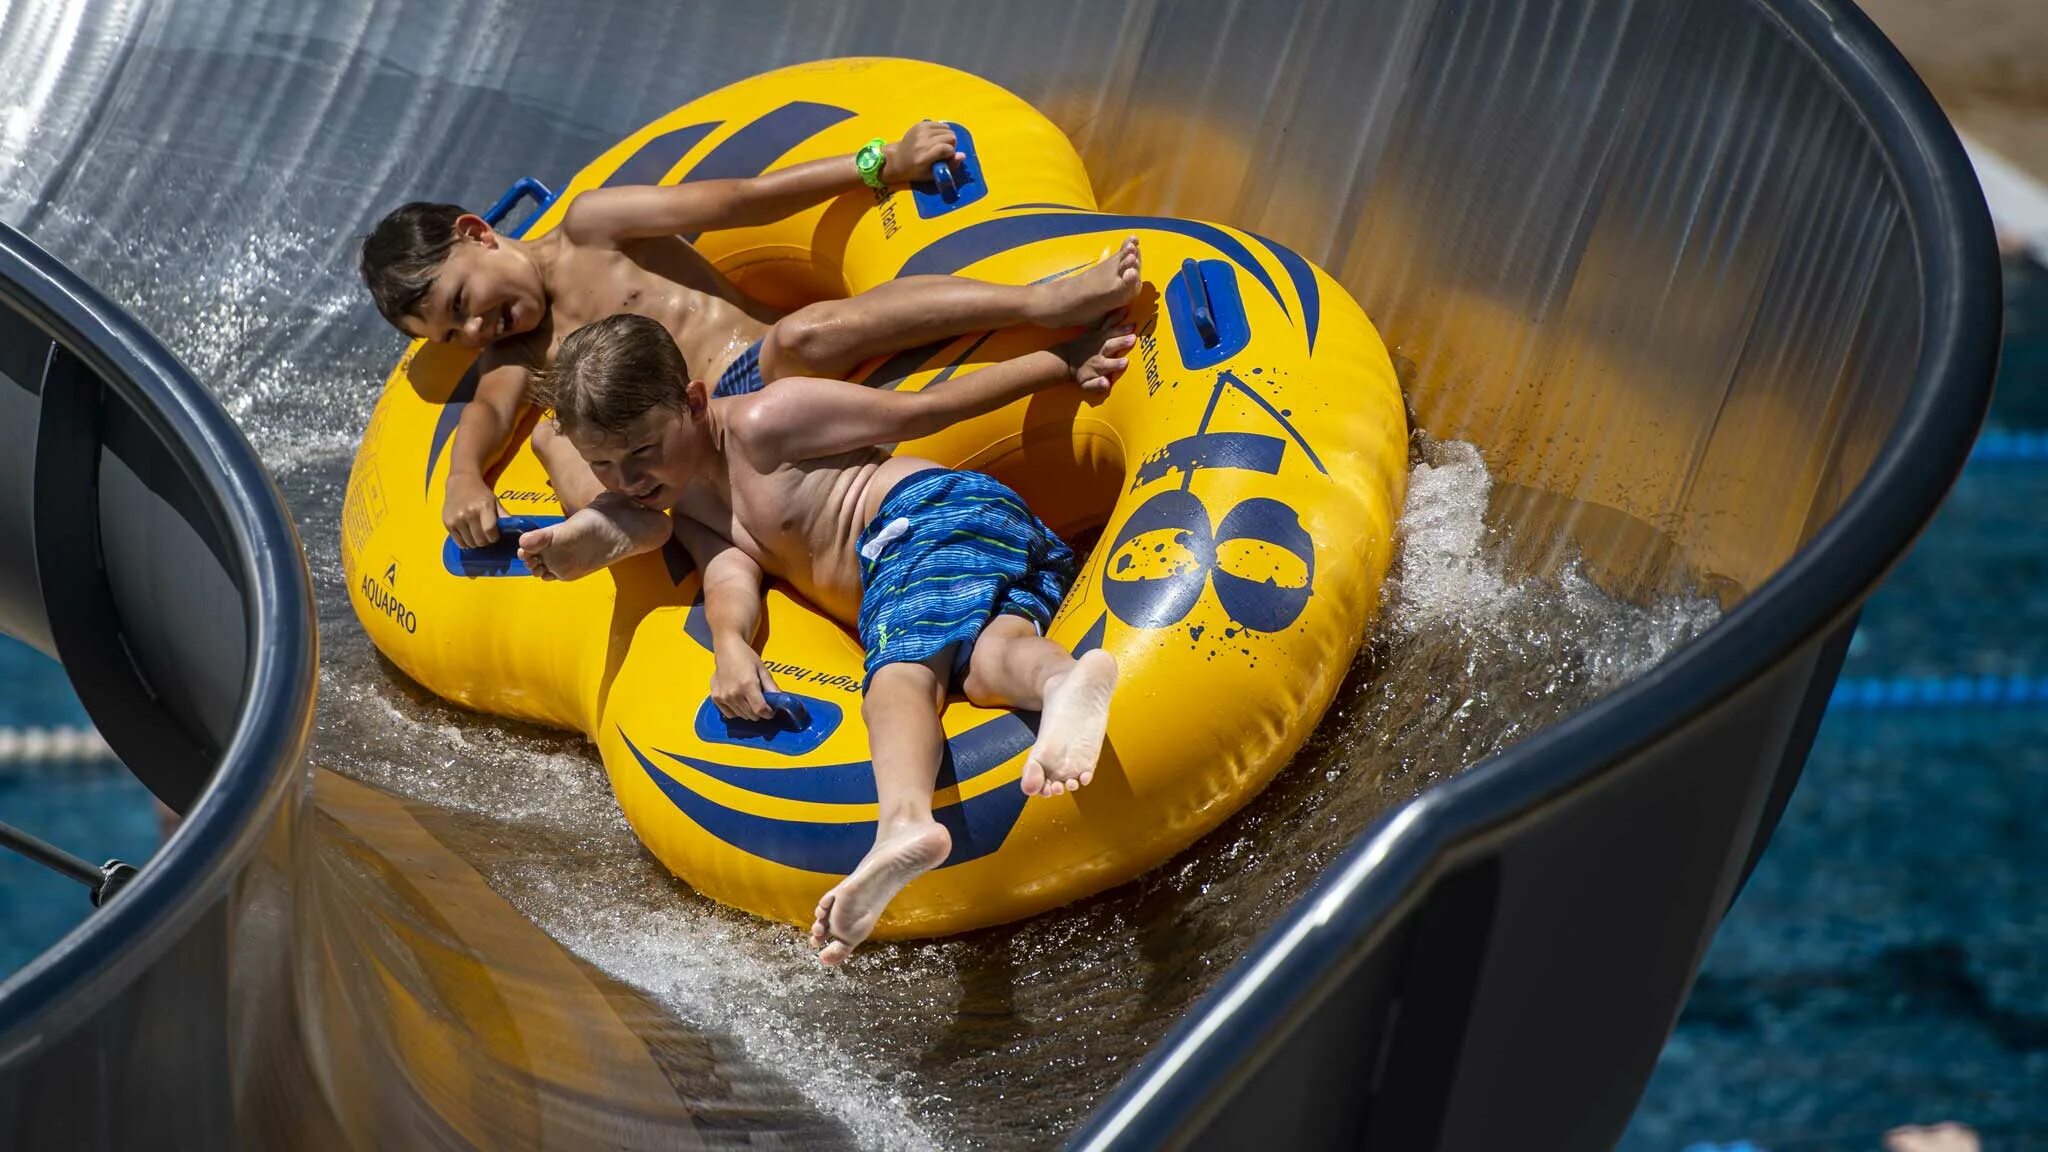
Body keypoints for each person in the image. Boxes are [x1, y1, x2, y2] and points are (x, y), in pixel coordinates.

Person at [531, 299, 1140, 963]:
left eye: (642, 451)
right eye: (604, 468)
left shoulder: (769, 419)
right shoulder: (689, 503)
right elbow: (729, 578)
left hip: (923, 521)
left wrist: (1062, 360)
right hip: (946, 569)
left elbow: (923, 411)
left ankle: (904, 821)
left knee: (898, 675)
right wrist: (732, 646)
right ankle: (1061, 682)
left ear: (696, 402)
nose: (629, 479)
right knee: (989, 660)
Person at [359, 121, 1142, 581]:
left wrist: (877, 166)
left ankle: (1039, 302)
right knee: (549, 428)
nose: (474, 333)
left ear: (477, 231)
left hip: (758, 373)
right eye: (449, 337)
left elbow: (741, 200)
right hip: (689, 463)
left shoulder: (595, 225)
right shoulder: (515, 362)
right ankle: (616, 522)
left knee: (802, 333)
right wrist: (465, 475)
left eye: (461, 303)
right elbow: (486, 421)